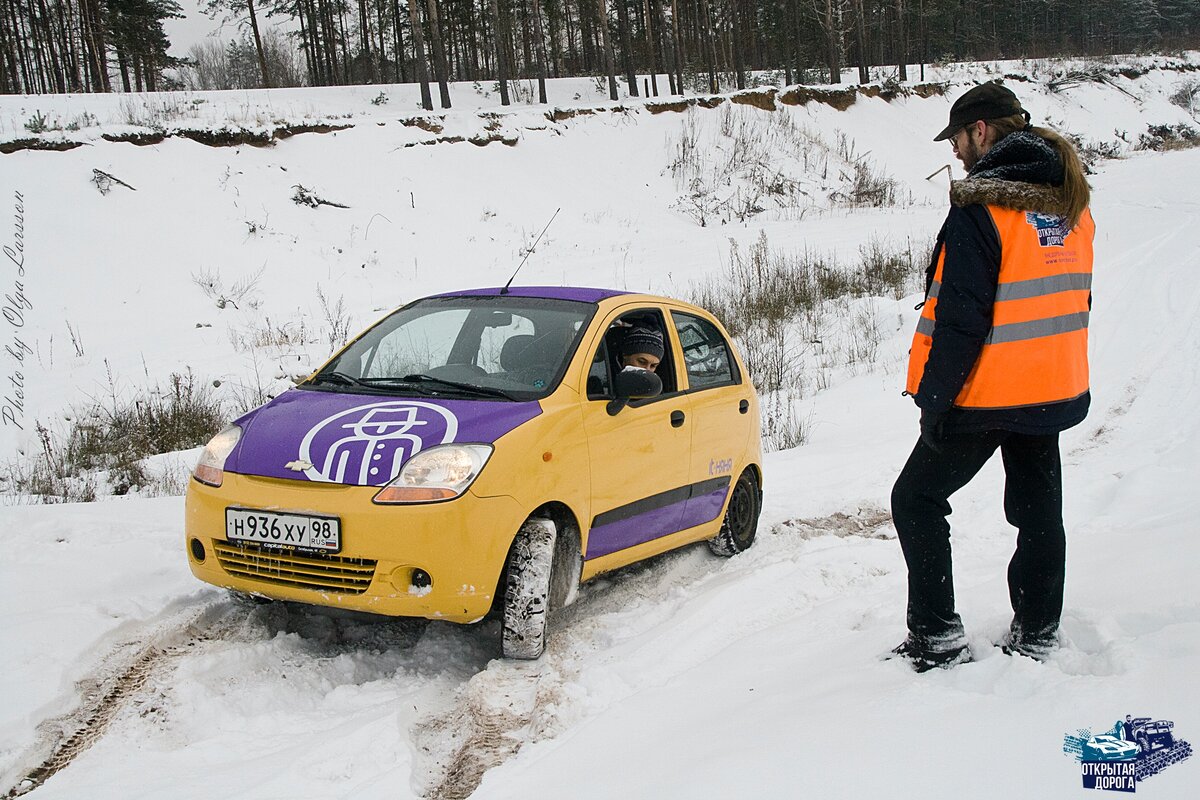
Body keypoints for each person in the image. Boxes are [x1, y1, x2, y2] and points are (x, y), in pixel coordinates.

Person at [890, 83, 1095, 672]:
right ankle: (1037, 630)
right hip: (1050, 387)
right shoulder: (1069, 203)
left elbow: (961, 320)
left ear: (980, 130)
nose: (954, 151)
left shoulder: (982, 209)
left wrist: (935, 400)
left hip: (987, 392)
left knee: (916, 499)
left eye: (956, 137)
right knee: (1038, 512)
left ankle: (936, 636)